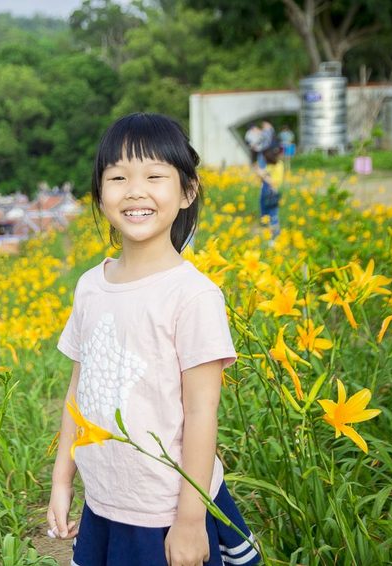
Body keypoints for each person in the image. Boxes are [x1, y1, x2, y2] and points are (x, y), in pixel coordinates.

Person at [47, 113, 259, 565]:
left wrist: (189, 522)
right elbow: (78, 392)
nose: (135, 191)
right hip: (104, 499)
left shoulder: (193, 296)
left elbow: (202, 413)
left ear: (187, 191)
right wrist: (62, 481)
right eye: (118, 177)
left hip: (168, 508)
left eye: (154, 176)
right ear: (99, 193)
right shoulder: (90, 286)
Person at [256, 145, 284, 239]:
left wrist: (263, 176)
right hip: (263, 192)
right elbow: (262, 178)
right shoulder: (268, 165)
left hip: (272, 194)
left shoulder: (279, 165)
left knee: (273, 216)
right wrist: (259, 173)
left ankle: (275, 237)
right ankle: (267, 236)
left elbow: (276, 182)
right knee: (264, 216)